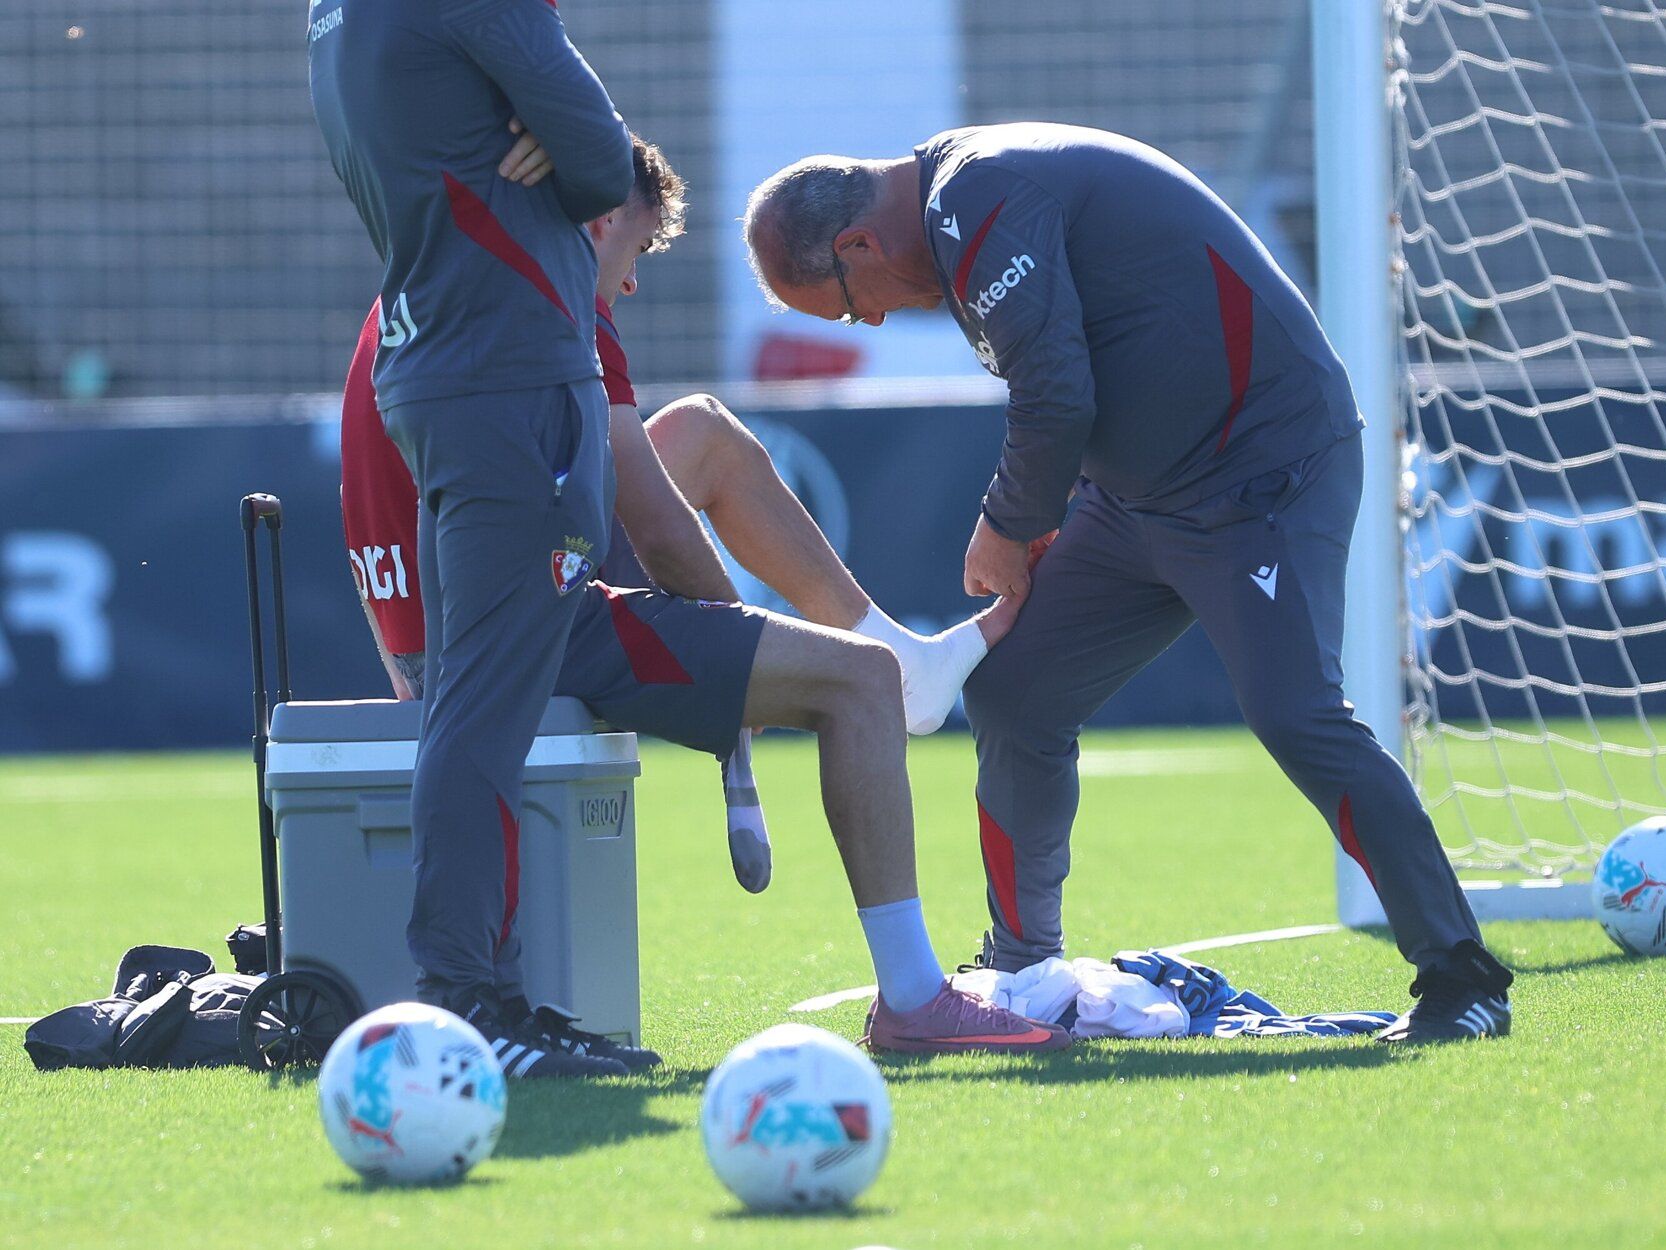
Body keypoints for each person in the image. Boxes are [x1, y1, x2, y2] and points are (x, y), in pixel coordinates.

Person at [311, 0, 1064, 1074]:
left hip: (478, 579)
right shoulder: (546, 295)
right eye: (631, 247)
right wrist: (733, 676)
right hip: (527, 600)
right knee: (833, 674)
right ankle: (482, 995)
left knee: (706, 451)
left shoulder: (419, 274)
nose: (626, 277)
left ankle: (889, 660)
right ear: (600, 220)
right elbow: (656, 518)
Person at [743, 122, 1515, 1043]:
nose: (868, 321)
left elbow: (1059, 388)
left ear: (857, 244)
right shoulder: (962, 207)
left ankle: (1464, 980)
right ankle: (1023, 964)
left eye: (847, 304)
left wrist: (1008, 524)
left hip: (1261, 473)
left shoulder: (976, 192)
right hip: (1140, 496)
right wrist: (1057, 501)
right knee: (1016, 693)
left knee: (1297, 713)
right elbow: (1111, 344)